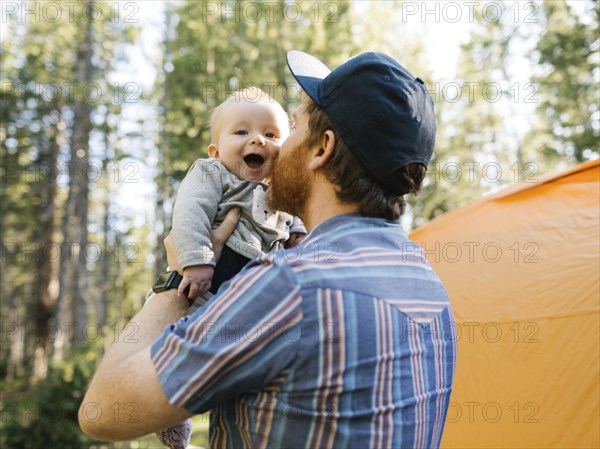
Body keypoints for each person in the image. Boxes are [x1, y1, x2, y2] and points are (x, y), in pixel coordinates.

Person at [79, 51, 457, 449]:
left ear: (321, 149)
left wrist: (176, 278)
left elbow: (101, 412)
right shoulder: (431, 288)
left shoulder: (288, 286)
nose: (275, 147)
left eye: (291, 128)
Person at [171, 87, 305, 299]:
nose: (258, 140)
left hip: (262, 286)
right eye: (242, 132)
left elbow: (296, 210)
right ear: (216, 153)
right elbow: (190, 211)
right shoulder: (213, 173)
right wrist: (198, 259)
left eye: (270, 134)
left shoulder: (281, 188)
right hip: (209, 284)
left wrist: (298, 228)